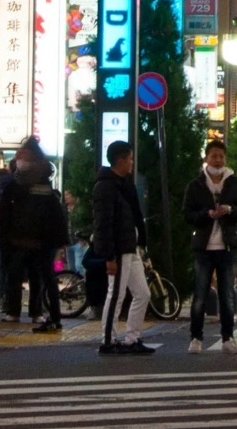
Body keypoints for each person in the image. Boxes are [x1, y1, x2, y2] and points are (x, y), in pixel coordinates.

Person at [184, 137, 237, 354]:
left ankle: (228, 338)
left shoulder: (234, 183)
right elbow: (187, 214)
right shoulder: (196, 185)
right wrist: (206, 214)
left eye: (221, 156)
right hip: (203, 247)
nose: (218, 160)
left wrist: (230, 210)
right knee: (200, 295)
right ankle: (195, 338)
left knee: (227, 296)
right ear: (206, 158)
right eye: (214, 156)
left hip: (228, 247)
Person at [92, 141, 155, 354]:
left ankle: (132, 338)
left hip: (131, 246)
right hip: (118, 249)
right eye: (129, 159)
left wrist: (141, 241)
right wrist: (109, 256)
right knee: (116, 293)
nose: (131, 162)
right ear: (120, 161)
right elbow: (103, 224)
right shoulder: (106, 187)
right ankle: (108, 340)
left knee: (142, 293)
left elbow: (135, 215)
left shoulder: (124, 183)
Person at [0, 139, 65, 334]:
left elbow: (53, 213)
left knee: (42, 278)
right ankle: (15, 310)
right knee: (16, 275)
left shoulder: (42, 182)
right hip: (20, 240)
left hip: (41, 241)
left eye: (23, 156)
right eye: (18, 156)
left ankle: (44, 313)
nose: (20, 160)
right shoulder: (15, 185)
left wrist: (58, 241)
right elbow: (5, 213)